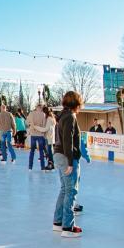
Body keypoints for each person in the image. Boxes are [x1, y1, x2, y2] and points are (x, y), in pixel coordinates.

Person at [52, 92, 83, 238]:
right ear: (76, 104)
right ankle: (67, 227)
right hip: (65, 156)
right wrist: (70, 162)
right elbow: (68, 140)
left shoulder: (62, 116)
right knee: (71, 191)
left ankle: (58, 222)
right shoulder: (70, 116)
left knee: (64, 189)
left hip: (58, 154)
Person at [27, 104, 47, 171]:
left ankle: (30, 167)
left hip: (33, 134)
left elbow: (27, 122)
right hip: (40, 134)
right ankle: (42, 167)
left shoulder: (31, 113)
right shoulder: (43, 114)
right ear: (41, 108)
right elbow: (44, 125)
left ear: (36, 107)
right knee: (41, 151)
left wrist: (31, 125)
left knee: (32, 151)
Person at [44, 106, 56, 170]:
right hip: (50, 136)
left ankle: (51, 164)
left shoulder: (48, 119)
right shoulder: (52, 118)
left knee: (49, 151)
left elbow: (47, 128)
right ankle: (51, 163)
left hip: (49, 137)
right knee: (49, 151)